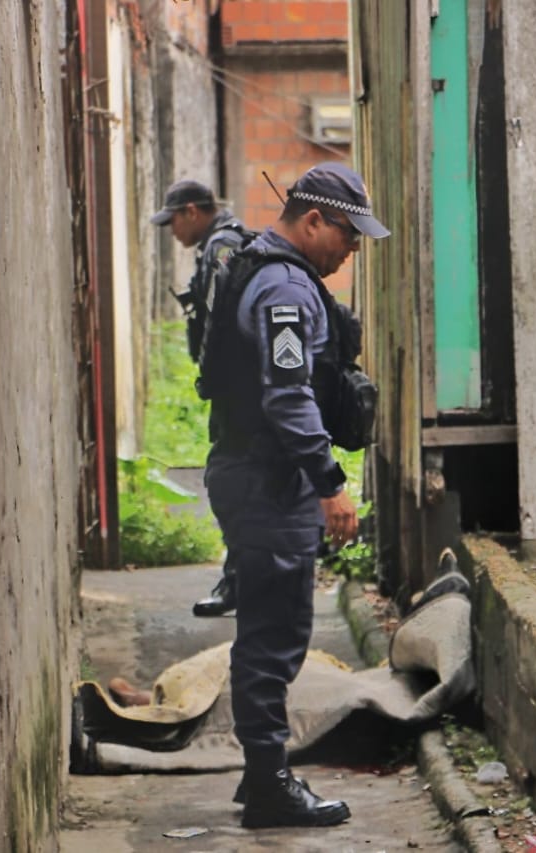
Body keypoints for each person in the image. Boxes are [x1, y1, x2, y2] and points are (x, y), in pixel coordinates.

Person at [199, 162, 389, 828]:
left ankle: (262, 777)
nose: (352, 250)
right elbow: (287, 395)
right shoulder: (283, 287)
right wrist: (329, 484)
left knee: (269, 629)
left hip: (257, 473)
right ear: (314, 221)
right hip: (265, 479)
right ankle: (269, 782)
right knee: (274, 635)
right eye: (348, 235)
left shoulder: (269, 267)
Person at [150, 179, 252, 618]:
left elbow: (225, 320)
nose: (172, 230)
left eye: (173, 220)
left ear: (192, 211)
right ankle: (243, 580)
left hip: (238, 391)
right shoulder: (217, 243)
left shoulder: (223, 246)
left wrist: (218, 377)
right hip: (235, 389)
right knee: (237, 482)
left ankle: (240, 584)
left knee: (229, 483)